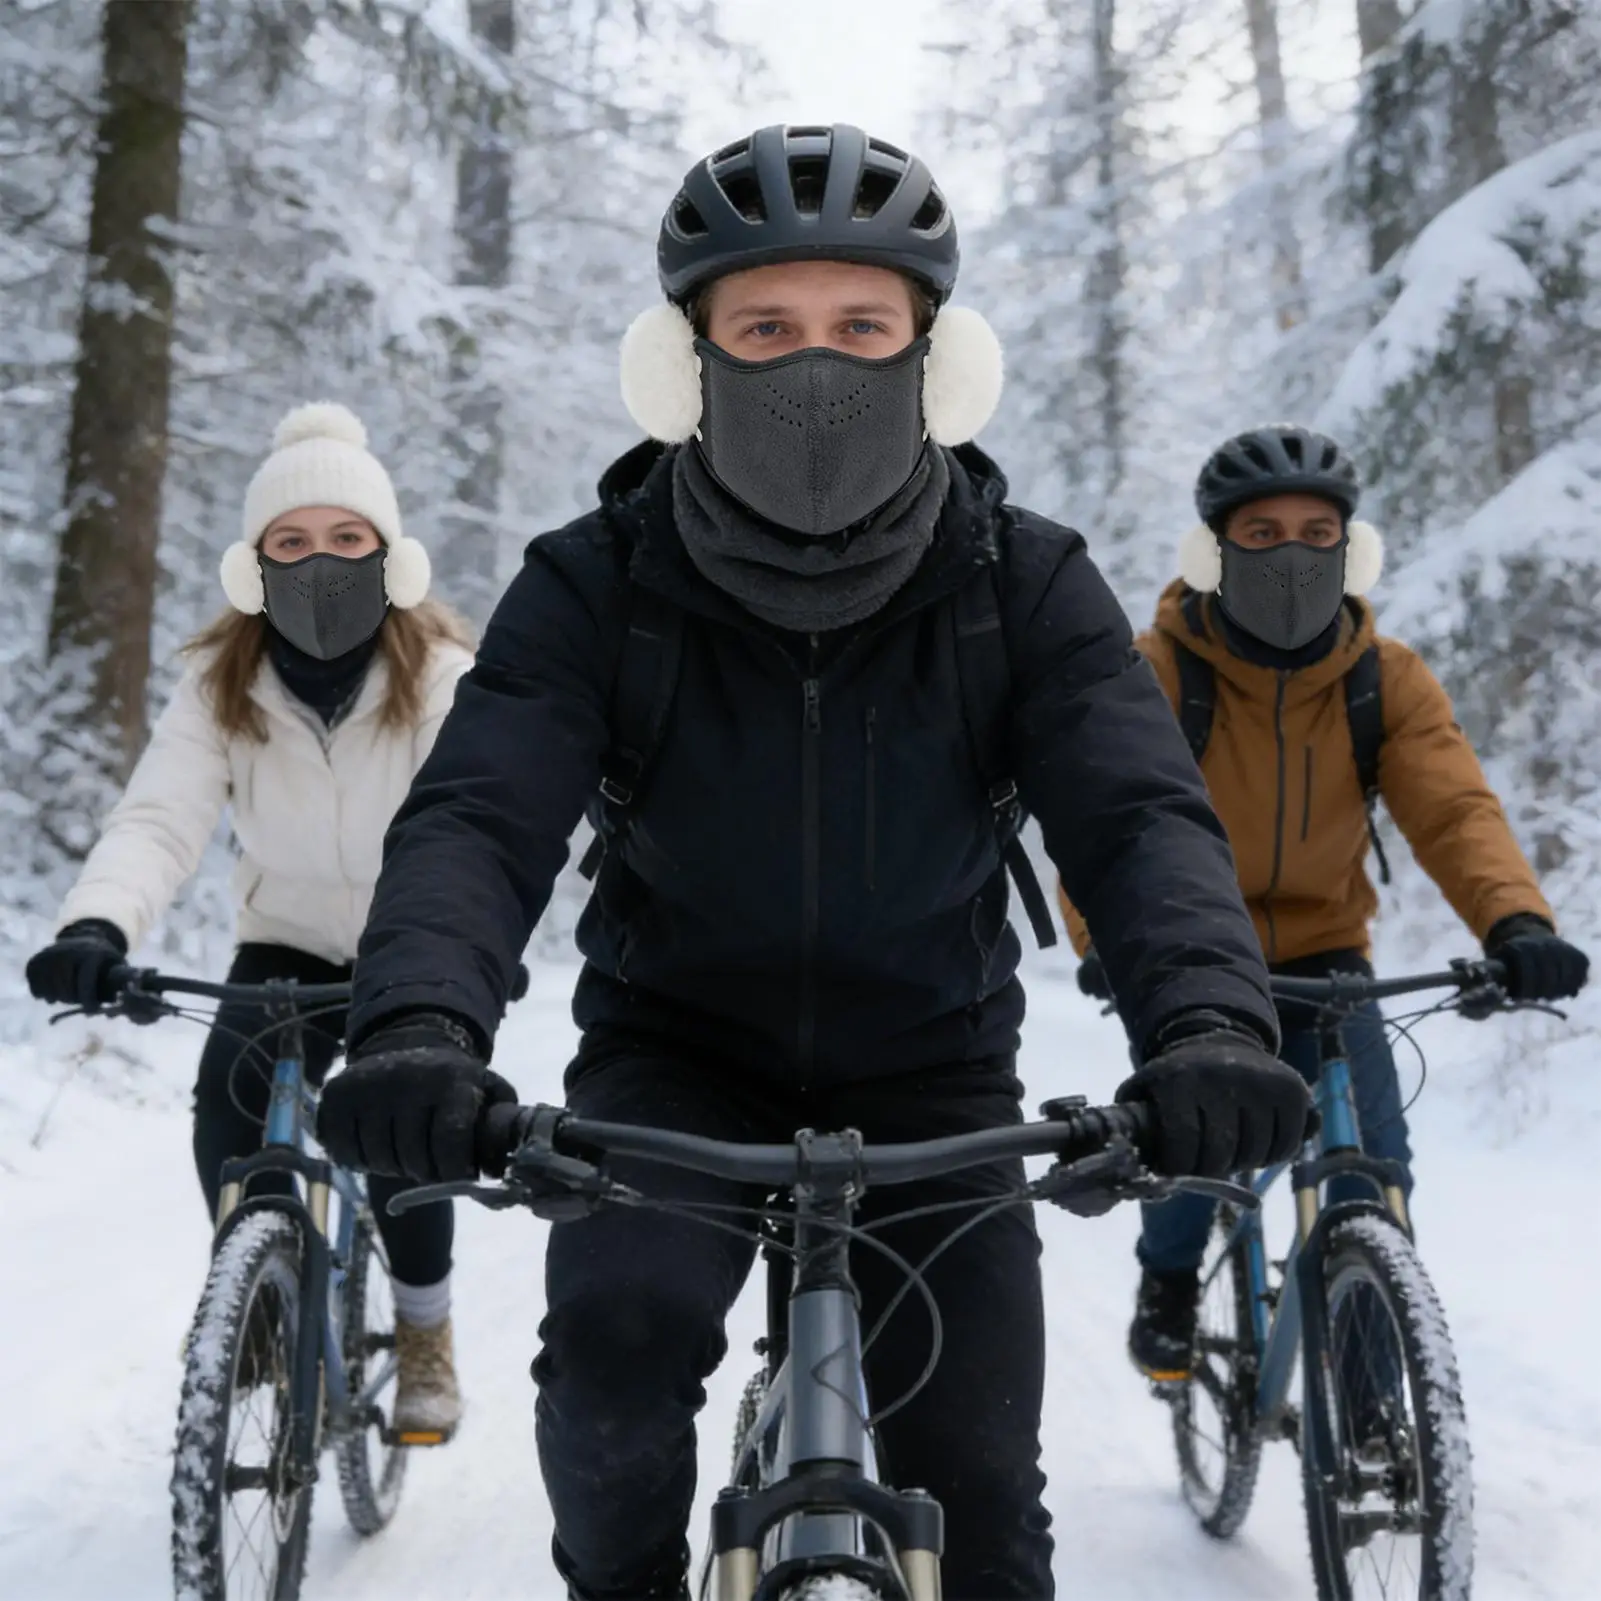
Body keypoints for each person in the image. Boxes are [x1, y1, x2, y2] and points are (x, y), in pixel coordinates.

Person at [315, 125, 1314, 1601]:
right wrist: (416, 1026)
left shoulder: (1020, 579)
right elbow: (478, 813)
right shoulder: (594, 581)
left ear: (933, 357)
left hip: (934, 1074)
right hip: (672, 1069)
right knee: (607, 1384)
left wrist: (1209, 1022)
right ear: (688, 364)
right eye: (765, 330)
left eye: (861, 328)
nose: (816, 369)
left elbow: (1138, 814)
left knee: (979, 1499)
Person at [1059, 423, 1590, 1383]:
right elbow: (1108, 812)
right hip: (1190, 957)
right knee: (1192, 1141)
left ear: (1351, 549)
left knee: (1370, 1167)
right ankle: (1169, 1278)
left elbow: (1453, 807)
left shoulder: (1383, 679)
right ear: (1213, 550)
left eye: (1316, 531)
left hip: (1328, 955)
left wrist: (1515, 922)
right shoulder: (1158, 671)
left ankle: (1377, 1391)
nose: (1291, 553)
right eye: (1259, 534)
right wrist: (1107, 938)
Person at [26, 402, 477, 1441]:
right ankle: (260, 1298)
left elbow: (470, 829)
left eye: (346, 538)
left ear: (388, 554)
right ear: (254, 564)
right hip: (285, 941)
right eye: (291, 541)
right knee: (226, 1105)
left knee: (408, 1131)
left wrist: (462, 955)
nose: (320, 560)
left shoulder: (441, 679)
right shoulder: (220, 683)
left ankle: (422, 1333)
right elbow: (159, 816)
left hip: (414, 949)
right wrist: (98, 924)